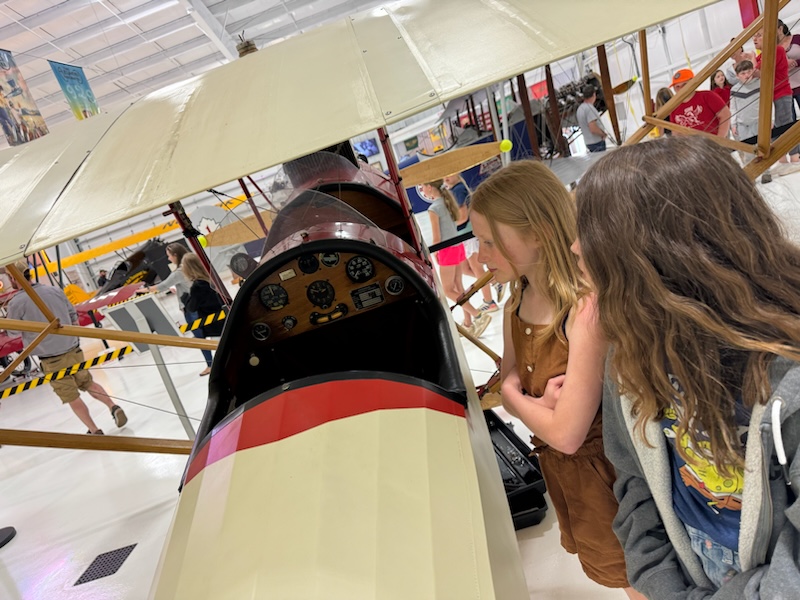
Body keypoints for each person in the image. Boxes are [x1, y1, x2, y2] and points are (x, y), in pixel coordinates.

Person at [574, 136, 800, 598]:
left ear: (654, 258)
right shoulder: (633, 349)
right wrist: (655, 581)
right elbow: (635, 478)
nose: (577, 249)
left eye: (594, 234)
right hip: (696, 568)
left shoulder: (787, 371)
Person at [470, 161, 643, 599]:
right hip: (571, 480)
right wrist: (528, 400)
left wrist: (514, 399)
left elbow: (565, 432)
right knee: (624, 578)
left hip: (612, 475)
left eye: (490, 241)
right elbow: (511, 380)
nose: (480, 256)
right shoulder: (517, 302)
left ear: (539, 233)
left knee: (642, 574)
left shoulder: (585, 310)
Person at [6, 262, 127, 434]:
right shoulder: (54, 290)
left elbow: (12, 332)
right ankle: (113, 406)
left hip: (51, 358)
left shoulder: (16, 302)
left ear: (13, 278)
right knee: (88, 382)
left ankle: (94, 430)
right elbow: (73, 315)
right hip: (73, 349)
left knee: (71, 396)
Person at [420, 180, 491, 338]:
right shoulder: (447, 202)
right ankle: (468, 323)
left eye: (423, 185)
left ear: (429, 187)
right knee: (458, 287)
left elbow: (437, 237)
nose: (422, 189)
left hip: (447, 249)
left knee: (447, 290)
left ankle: (478, 315)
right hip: (458, 247)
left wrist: (436, 254)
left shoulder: (433, 209)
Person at [144, 243, 213, 372]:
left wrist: (144, 290)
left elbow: (162, 286)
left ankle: (210, 365)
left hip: (192, 308)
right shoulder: (190, 265)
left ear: (175, 255)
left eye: (169, 256)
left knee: (199, 338)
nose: (168, 259)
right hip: (203, 304)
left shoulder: (179, 272)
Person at [443, 173, 499, 312]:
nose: (446, 177)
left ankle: (489, 301)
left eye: (449, 173)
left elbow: (462, 216)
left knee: (476, 268)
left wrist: (447, 226)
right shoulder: (454, 190)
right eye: (443, 175)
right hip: (463, 235)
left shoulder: (458, 189)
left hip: (467, 234)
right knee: (465, 269)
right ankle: (495, 281)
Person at [753, 27, 800, 163]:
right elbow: (753, 71)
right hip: (771, 96)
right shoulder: (762, 56)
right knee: (776, 126)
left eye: (759, 35)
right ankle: (782, 158)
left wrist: (751, 59)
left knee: (785, 124)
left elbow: (761, 72)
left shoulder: (777, 50)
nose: (755, 39)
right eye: (754, 36)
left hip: (782, 93)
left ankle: (794, 156)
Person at [180, 254, 223, 376]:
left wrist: (185, 298)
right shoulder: (210, 279)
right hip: (222, 318)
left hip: (212, 324)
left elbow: (192, 307)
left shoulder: (197, 286)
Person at [669, 68, 731, 137]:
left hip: (713, 144)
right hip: (691, 146)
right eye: (677, 86)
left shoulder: (708, 96)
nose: (681, 89)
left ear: (692, 83)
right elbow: (676, 133)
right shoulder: (674, 108)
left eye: (684, 85)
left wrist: (720, 139)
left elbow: (725, 115)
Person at [576, 84, 608, 152]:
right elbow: (593, 129)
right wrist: (603, 134)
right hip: (596, 142)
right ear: (594, 94)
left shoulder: (580, 108)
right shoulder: (590, 109)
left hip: (588, 142)